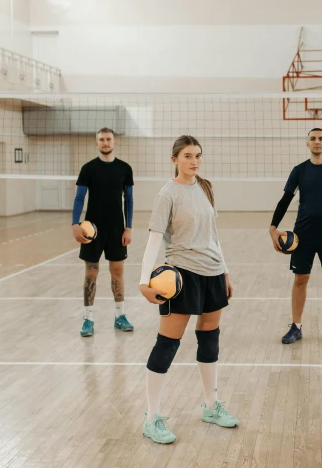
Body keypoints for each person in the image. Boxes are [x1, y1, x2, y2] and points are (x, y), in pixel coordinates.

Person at [138, 135, 238, 444]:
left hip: (213, 272)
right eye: (187, 156)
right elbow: (155, 238)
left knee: (209, 341)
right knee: (167, 345)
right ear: (175, 160)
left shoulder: (205, 187)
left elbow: (214, 235)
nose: (193, 161)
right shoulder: (167, 194)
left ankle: (211, 406)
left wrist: (225, 272)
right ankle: (152, 418)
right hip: (182, 275)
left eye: (197, 155)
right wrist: (144, 281)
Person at [269, 128, 322, 345]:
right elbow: (285, 200)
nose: (317, 142)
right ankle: (296, 326)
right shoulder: (299, 171)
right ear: (307, 144)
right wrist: (272, 228)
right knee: (300, 279)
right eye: (313, 139)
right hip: (303, 234)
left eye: (321, 138)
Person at [71, 127, 134, 337]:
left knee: (117, 271)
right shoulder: (88, 169)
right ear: (97, 143)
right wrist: (75, 224)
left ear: (114, 143)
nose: (105, 142)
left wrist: (128, 227)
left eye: (108, 139)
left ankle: (120, 316)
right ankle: (88, 319)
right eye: (101, 139)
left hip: (117, 229)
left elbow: (129, 200)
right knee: (91, 272)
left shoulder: (125, 169)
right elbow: (79, 198)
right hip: (93, 229)